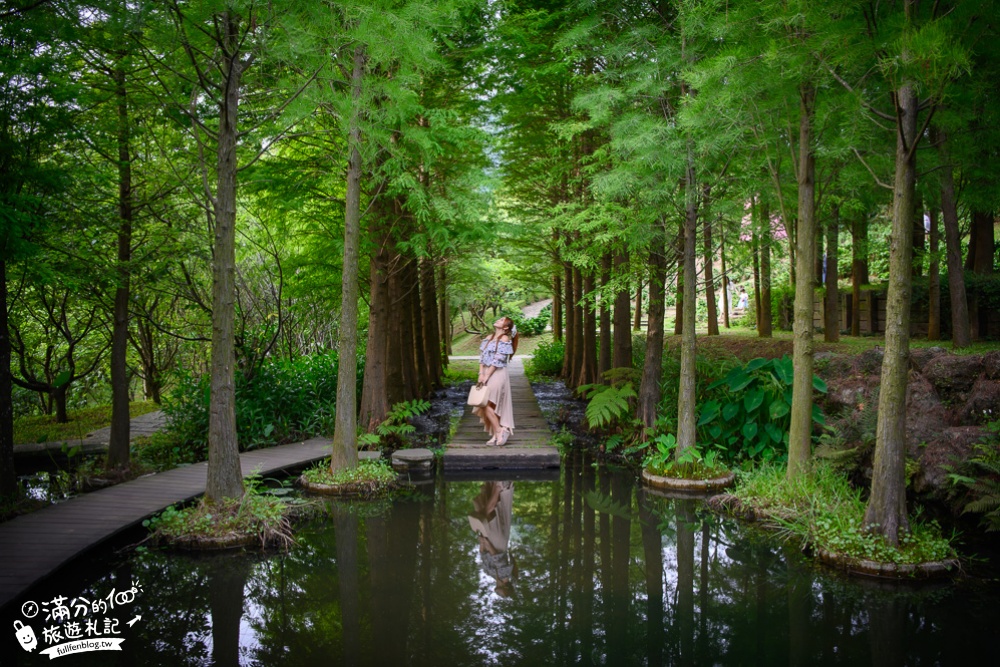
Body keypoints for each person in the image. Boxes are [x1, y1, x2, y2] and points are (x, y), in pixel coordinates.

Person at [468, 480, 516, 597]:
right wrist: (487, 544)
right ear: (504, 585)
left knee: (482, 513)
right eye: (498, 587)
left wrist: (481, 542)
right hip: (497, 544)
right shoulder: (505, 575)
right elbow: (498, 558)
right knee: (486, 515)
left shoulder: (491, 573)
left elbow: (483, 555)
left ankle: (491, 484)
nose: (496, 585)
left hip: (489, 542)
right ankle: (498, 487)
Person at [475, 316, 518, 446]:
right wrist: (481, 374)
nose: (498, 320)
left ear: (505, 328)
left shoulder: (504, 339)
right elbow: (482, 358)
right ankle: (496, 433)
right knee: (488, 404)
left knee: (488, 402)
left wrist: (487, 375)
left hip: (497, 373)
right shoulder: (489, 338)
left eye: (501, 320)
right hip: (486, 372)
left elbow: (498, 360)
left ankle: (499, 430)